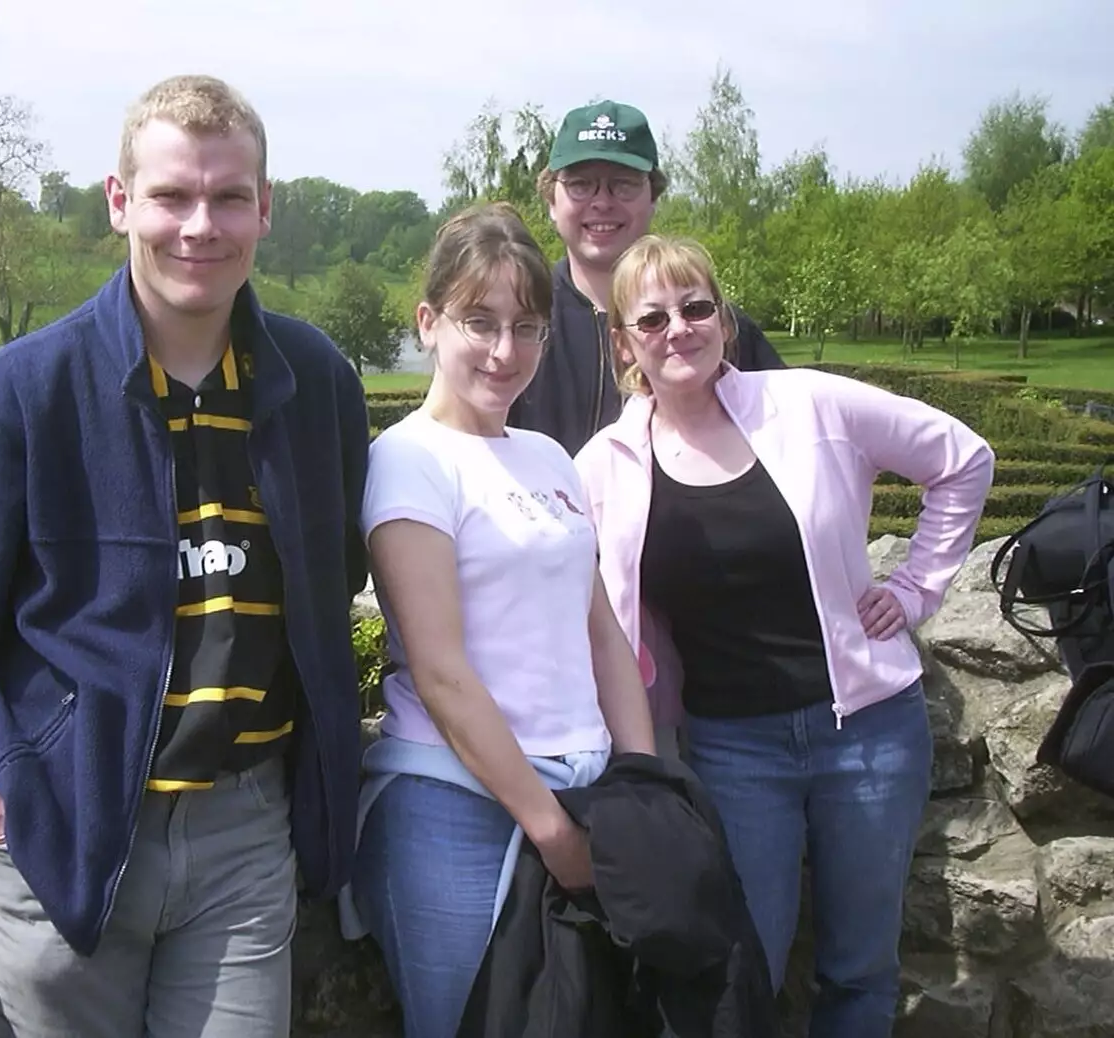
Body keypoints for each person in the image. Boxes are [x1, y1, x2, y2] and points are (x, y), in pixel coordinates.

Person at [0, 74, 371, 1038]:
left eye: (226, 197)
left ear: (265, 207)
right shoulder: (25, 390)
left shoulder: (319, 385)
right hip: (63, 828)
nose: (199, 226)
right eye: (172, 195)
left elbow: (331, 583)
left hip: (246, 837)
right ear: (120, 201)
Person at [574, 234, 994, 1038]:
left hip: (868, 734)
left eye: (697, 307)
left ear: (724, 322)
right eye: (652, 317)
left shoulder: (809, 404)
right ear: (624, 342)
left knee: (859, 970)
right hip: (733, 751)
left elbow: (963, 459)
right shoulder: (605, 464)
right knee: (743, 970)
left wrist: (914, 590)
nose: (679, 329)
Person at [347, 202, 657, 1038]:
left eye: (527, 327)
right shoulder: (407, 459)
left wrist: (643, 781)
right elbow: (443, 672)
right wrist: (552, 829)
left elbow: (600, 633)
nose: (503, 351)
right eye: (478, 322)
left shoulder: (549, 456)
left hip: (580, 794)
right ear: (428, 322)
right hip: (457, 807)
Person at [510, 99, 784, 458]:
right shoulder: (515, 321)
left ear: (653, 198)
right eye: (580, 185)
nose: (602, 202)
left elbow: (789, 438)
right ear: (550, 201)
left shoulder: (713, 327)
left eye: (622, 185)